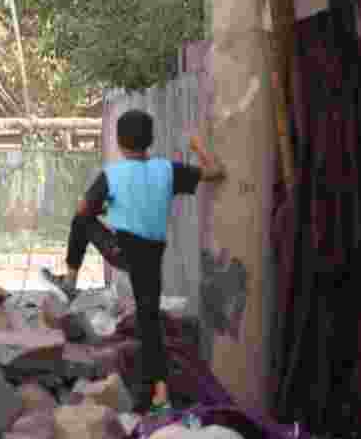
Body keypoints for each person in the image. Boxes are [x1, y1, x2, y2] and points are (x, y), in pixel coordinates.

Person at [41, 109, 225, 414]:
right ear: (150, 140)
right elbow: (215, 171)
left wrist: (106, 208)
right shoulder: (167, 170)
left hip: (122, 251)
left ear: (119, 141)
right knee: (150, 325)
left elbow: (84, 208)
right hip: (151, 258)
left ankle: (70, 281)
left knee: (81, 219)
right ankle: (160, 396)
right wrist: (196, 144)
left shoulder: (112, 174)